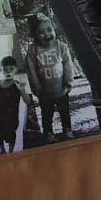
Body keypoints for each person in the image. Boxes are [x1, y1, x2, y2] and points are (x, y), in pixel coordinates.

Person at [24, 13, 75, 142]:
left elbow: (68, 65)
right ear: (35, 35)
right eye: (41, 32)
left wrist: (69, 82)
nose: (47, 34)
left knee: (64, 112)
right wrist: (37, 88)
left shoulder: (61, 47)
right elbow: (31, 71)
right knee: (47, 114)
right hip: (44, 92)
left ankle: (67, 130)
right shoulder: (33, 51)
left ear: (54, 29)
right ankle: (48, 133)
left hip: (61, 89)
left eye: (49, 30)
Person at [0, 55, 29, 153]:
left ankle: (11, 151)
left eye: (11, 69)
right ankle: (2, 149)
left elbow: (28, 101)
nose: (8, 71)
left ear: (16, 70)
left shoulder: (17, 85)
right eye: (5, 69)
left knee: (11, 135)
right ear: (0, 70)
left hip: (11, 118)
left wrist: (22, 90)